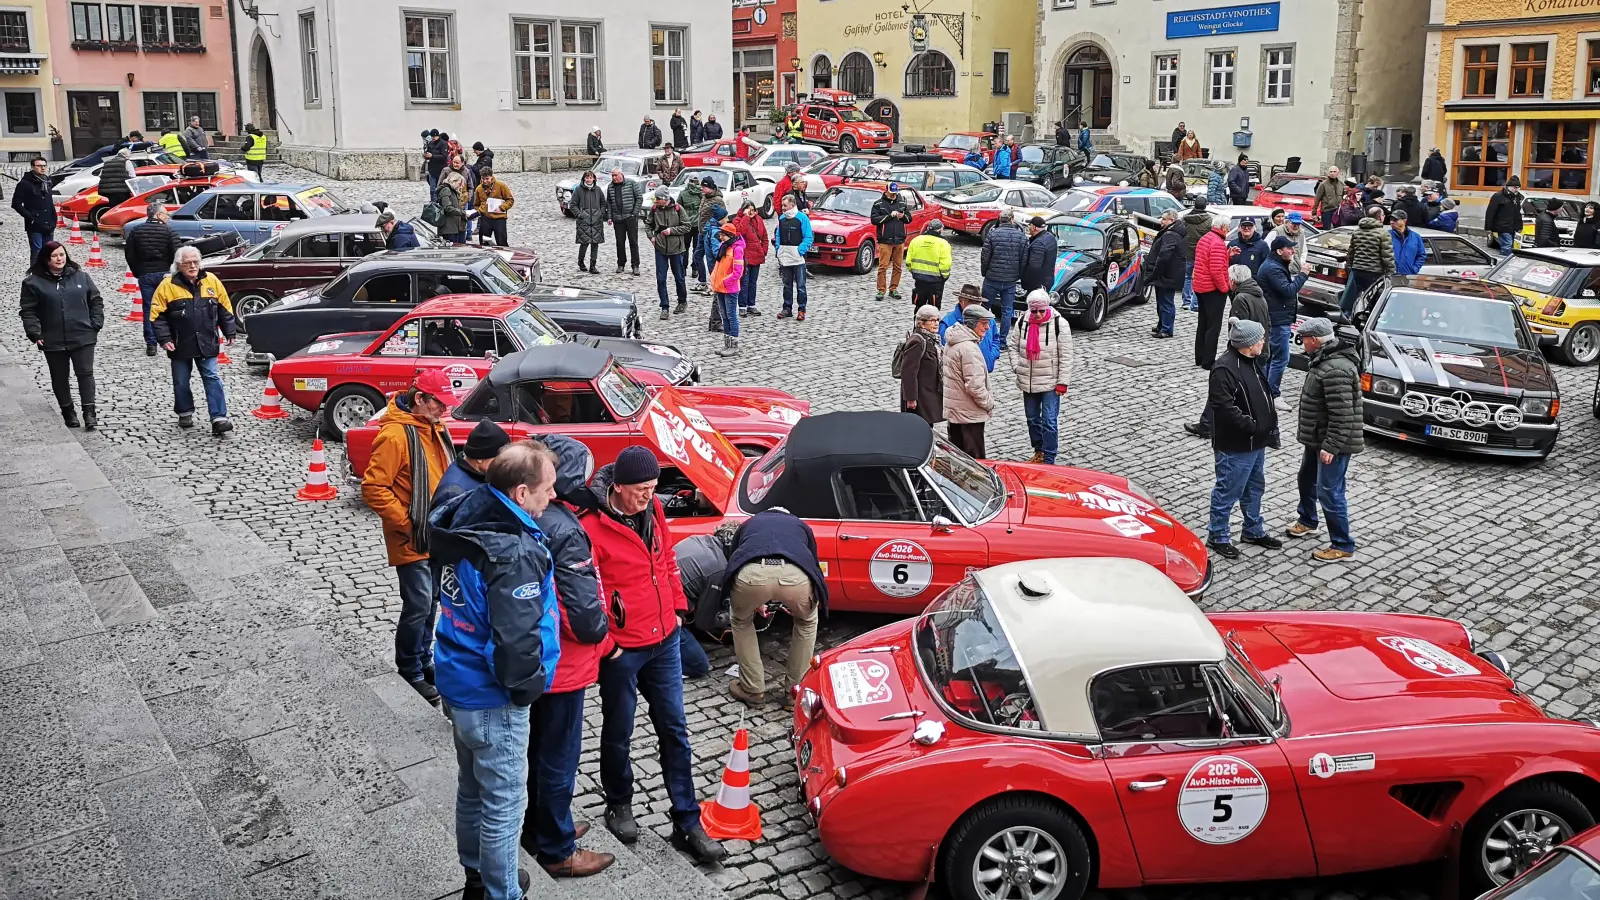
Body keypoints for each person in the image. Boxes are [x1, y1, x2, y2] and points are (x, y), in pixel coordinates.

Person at [580, 446, 727, 864]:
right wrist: (609, 644)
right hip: (623, 650)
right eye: (642, 490)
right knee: (618, 730)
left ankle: (687, 820)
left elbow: (666, 563)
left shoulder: (654, 512)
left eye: (652, 488)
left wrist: (679, 609)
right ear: (618, 488)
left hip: (663, 639)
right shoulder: (591, 526)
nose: (649, 496)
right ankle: (619, 802)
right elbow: (590, 592)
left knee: (675, 731)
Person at [427, 441, 560, 900]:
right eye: (547, 490)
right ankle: (503, 893)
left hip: (455, 676)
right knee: (505, 802)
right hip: (491, 697)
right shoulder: (513, 552)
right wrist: (527, 688)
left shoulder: (467, 514)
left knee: (472, 790)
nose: (553, 497)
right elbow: (515, 640)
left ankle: (476, 876)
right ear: (521, 494)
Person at [517, 436, 618, 880]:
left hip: (535, 659)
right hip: (564, 665)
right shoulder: (565, 529)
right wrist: (603, 630)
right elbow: (586, 617)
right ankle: (557, 847)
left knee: (536, 750)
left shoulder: (530, 516)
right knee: (558, 757)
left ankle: (537, 828)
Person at [362, 369, 455, 703]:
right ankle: (409, 669)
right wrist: (407, 522)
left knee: (430, 603)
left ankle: (424, 659)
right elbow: (374, 488)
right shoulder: (395, 436)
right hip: (412, 536)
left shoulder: (434, 427)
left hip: (435, 535)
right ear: (420, 398)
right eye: (438, 404)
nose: (443, 411)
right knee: (418, 604)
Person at [722, 509, 827, 707]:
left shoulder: (749, 523)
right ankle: (794, 693)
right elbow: (812, 560)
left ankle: (752, 690)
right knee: (806, 623)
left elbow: (735, 557)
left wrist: (756, 600)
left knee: (741, 621)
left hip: (751, 574)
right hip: (796, 575)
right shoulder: (800, 524)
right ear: (787, 515)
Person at [1204, 317, 1280, 561]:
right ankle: (1218, 536)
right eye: (1260, 339)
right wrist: (1252, 426)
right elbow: (1224, 408)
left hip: (1256, 442)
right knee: (1228, 490)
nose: (1263, 341)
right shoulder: (1224, 369)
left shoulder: (1252, 361)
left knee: (1254, 488)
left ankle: (1253, 530)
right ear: (1247, 344)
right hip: (1236, 445)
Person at [1287, 318, 1361, 563]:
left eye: (1304, 338)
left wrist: (1331, 446)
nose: (1302, 343)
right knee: (1306, 478)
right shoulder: (1325, 360)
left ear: (1314, 340)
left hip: (1331, 443)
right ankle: (1308, 520)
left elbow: (1342, 414)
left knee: (1330, 492)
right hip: (1317, 437)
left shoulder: (1335, 369)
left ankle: (1342, 544)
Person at [151, 245, 236, 435]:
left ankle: (219, 417)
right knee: (181, 381)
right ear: (178, 265)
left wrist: (230, 331)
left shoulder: (211, 281)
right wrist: (164, 338)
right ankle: (184, 411)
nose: (192, 266)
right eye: (187, 263)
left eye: (195, 262)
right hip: (179, 343)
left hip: (207, 340)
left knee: (212, 378)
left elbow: (224, 307)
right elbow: (156, 315)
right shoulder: (167, 286)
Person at [20, 241, 103, 430]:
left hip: (83, 335)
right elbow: (28, 311)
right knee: (59, 377)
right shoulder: (33, 283)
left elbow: (96, 301)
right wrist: (34, 332)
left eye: (62, 254)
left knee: (85, 374)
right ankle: (68, 412)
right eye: (55, 256)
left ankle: (89, 414)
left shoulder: (81, 277)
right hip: (52, 338)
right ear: (46, 259)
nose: (60, 259)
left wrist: (95, 324)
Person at [1009, 289, 1072, 465]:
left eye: (1041, 311)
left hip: (1050, 382)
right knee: (1032, 419)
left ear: (1047, 308)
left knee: (1049, 421)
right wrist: (1017, 366)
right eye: (1034, 310)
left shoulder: (1060, 324)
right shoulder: (1023, 321)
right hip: (1028, 381)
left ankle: (1049, 458)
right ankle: (1039, 451)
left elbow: (1066, 356)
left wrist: (1062, 382)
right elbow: (1013, 346)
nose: (1037, 314)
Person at [1258, 235, 1311, 409]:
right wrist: (1303, 274)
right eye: (1290, 248)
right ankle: (1273, 393)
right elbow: (1288, 291)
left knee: (1271, 356)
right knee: (1280, 358)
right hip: (1277, 319)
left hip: (1278, 316)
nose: (1293, 251)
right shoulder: (1273, 268)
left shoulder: (1277, 264)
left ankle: (1264, 390)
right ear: (1280, 251)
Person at [126, 201, 182, 356]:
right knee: (170, 306)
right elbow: (177, 254)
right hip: (165, 274)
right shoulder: (169, 231)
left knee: (149, 308)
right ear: (158, 215)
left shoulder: (136, 231)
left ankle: (151, 343)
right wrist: (173, 272)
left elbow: (130, 254)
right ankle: (170, 338)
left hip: (145, 274)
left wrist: (138, 271)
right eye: (166, 214)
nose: (167, 217)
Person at [943, 304, 995, 458]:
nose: (987, 328)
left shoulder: (953, 340)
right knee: (975, 463)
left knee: (958, 459)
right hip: (969, 414)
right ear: (972, 324)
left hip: (957, 412)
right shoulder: (968, 349)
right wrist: (989, 404)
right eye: (983, 324)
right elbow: (975, 386)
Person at [434, 420, 511, 507]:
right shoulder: (453, 494)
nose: (503, 464)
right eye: (499, 459)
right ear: (480, 458)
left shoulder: (480, 474)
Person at [1191, 213, 1234, 370]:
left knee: (1203, 323)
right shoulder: (1217, 243)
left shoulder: (1205, 239)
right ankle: (1208, 361)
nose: (1228, 229)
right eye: (1228, 227)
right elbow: (1216, 270)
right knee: (1213, 326)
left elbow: (1209, 261)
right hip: (1212, 289)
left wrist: (1227, 255)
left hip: (1200, 287)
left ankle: (1200, 356)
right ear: (1222, 227)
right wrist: (1225, 288)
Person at [980, 211, 1027, 346]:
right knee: (1007, 310)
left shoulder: (993, 234)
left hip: (992, 278)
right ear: (1012, 219)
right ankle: (1002, 341)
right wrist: (1018, 275)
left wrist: (985, 272)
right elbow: (1023, 260)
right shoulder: (1021, 237)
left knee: (984, 308)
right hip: (1010, 280)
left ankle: (983, 337)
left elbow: (985, 257)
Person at [647, 187, 693, 319]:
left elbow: (687, 226)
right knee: (661, 279)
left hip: (676, 249)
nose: (656, 201)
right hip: (660, 248)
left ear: (665, 199)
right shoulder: (654, 209)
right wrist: (651, 237)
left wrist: (671, 231)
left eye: (659, 199)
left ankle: (682, 301)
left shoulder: (678, 209)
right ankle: (665, 307)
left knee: (679, 277)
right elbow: (649, 224)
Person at [1341, 208, 1394, 317]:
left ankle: (1350, 316)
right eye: (1383, 215)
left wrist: (1352, 266)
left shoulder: (1357, 231)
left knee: (1356, 295)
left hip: (1357, 270)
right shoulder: (1383, 233)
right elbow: (1387, 256)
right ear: (1380, 217)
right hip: (1374, 272)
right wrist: (1391, 272)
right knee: (1373, 298)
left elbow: (1351, 252)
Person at [940, 283, 1001, 371]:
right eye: (970, 301)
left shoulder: (988, 319)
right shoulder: (947, 322)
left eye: (977, 302)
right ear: (960, 300)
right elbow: (943, 350)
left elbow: (996, 339)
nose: (974, 305)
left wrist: (990, 357)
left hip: (984, 370)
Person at [900, 305, 944, 426]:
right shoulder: (917, 341)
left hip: (929, 394)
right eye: (932, 320)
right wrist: (911, 398)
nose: (936, 323)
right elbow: (908, 372)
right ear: (922, 323)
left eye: (937, 320)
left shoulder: (932, 339)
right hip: (919, 398)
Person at [1146, 208, 1186, 338]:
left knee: (1166, 302)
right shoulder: (1170, 232)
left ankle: (1166, 329)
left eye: (1164, 219)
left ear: (1171, 220)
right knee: (1161, 302)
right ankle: (1162, 325)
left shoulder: (1171, 235)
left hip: (1167, 275)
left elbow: (1164, 256)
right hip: (1167, 274)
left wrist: (1155, 271)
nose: (1161, 221)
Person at [709, 218, 745, 357]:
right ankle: (727, 344)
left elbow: (738, 272)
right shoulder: (724, 248)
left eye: (723, 235)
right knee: (724, 316)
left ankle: (733, 346)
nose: (721, 237)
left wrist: (724, 282)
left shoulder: (737, 249)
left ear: (729, 235)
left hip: (729, 288)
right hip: (720, 287)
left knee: (731, 316)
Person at [774, 193, 812, 321]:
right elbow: (778, 235)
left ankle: (801, 309)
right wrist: (778, 248)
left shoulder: (802, 218)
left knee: (801, 286)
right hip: (785, 256)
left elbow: (808, 237)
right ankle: (787, 308)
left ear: (792, 204)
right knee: (787, 285)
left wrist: (800, 251)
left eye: (785, 205)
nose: (783, 208)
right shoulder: (781, 219)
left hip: (797, 258)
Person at [870, 182, 910, 302]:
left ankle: (893, 289)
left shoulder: (902, 202)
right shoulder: (878, 204)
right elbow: (874, 220)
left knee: (898, 267)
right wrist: (889, 216)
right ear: (886, 191)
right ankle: (881, 290)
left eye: (895, 193)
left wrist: (902, 216)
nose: (893, 195)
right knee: (883, 267)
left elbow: (909, 218)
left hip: (899, 240)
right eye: (891, 193)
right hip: (885, 241)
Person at [12, 156, 54, 260]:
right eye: (39, 166)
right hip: (34, 223)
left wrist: (54, 218)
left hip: (49, 222)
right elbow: (16, 204)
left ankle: (46, 274)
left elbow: (49, 202)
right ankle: (35, 274)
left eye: (44, 166)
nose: (42, 168)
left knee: (49, 251)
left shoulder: (47, 182)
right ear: (32, 167)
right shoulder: (24, 184)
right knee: (37, 251)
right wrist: (30, 217)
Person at [906, 220, 953, 309]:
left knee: (919, 307)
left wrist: (915, 273)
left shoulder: (916, 240)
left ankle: (917, 322)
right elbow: (945, 265)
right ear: (940, 230)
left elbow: (908, 261)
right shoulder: (943, 244)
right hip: (936, 282)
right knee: (934, 310)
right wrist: (944, 277)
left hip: (919, 280)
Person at [606, 168, 644, 276]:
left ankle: (635, 265)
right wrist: (609, 216)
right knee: (620, 243)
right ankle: (621, 264)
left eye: (615, 175)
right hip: (618, 219)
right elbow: (609, 202)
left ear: (621, 174)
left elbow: (639, 198)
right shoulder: (610, 187)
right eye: (612, 175)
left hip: (630, 217)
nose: (614, 177)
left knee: (633, 242)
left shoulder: (631, 183)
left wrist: (634, 213)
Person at [690, 177, 724, 294]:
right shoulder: (704, 196)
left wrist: (710, 226)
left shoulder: (718, 200)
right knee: (697, 256)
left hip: (710, 234)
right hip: (701, 232)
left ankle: (714, 284)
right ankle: (702, 281)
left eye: (704, 187)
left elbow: (722, 217)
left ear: (710, 187)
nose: (702, 189)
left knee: (711, 260)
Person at [734, 199, 767, 316]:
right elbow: (740, 232)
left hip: (757, 255)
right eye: (749, 210)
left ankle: (751, 304)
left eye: (753, 210)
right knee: (744, 282)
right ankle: (742, 305)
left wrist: (764, 251)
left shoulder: (759, 220)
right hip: (745, 257)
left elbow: (764, 236)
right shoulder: (738, 220)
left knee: (753, 282)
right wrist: (746, 217)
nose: (752, 212)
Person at [570, 171, 607, 274]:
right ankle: (581, 261)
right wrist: (579, 215)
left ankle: (593, 265)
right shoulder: (578, 190)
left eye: (590, 178)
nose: (589, 179)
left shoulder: (598, 190)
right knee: (584, 243)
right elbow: (573, 204)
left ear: (594, 179)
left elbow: (603, 203)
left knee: (595, 244)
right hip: (584, 222)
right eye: (587, 178)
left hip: (596, 221)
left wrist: (600, 214)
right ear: (584, 179)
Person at [1181, 198, 1212, 312]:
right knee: (1199, 278)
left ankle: (1186, 301)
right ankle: (1195, 303)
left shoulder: (1185, 219)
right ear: (1205, 206)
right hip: (1202, 253)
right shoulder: (1209, 220)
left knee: (1187, 277)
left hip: (1188, 251)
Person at [474, 169, 515, 248]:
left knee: (502, 242)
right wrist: (478, 212)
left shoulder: (501, 185)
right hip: (485, 218)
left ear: (491, 177)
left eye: (487, 179)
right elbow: (476, 204)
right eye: (483, 179)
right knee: (484, 242)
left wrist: (502, 208)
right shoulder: (479, 189)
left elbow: (510, 200)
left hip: (499, 218)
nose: (485, 181)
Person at [1484, 177, 1524, 256]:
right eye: (1514, 187)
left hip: (1512, 227)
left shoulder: (1516, 198)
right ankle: (1504, 263)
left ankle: (1505, 262)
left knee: (1510, 246)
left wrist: (1520, 226)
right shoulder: (1498, 196)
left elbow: (1518, 213)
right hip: (1502, 226)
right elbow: (1491, 212)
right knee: (1507, 246)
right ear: (1508, 186)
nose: (1516, 189)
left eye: (1517, 188)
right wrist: (1488, 227)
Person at [1020, 215, 1058, 297]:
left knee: (1035, 307)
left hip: (1038, 285)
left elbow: (1034, 266)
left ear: (1034, 227)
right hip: (1047, 280)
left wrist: (1027, 283)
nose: (1029, 227)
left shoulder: (1038, 244)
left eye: (1030, 225)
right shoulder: (1050, 237)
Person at [436, 161, 469, 245]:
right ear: (454, 181)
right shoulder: (446, 190)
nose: (461, 186)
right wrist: (463, 212)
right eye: (460, 183)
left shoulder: (454, 191)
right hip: (449, 228)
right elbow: (447, 207)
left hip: (456, 226)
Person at [1390, 210, 1425, 276]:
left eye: (1395, 220)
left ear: (1404, 221)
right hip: (1390, 276)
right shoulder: (1387, 235)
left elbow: (1421, 255)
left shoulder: (1415, 237)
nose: (1391, 222)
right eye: (1391, 219)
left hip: (1408, 275)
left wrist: (1415, 269)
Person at [422, 130, 449, 201]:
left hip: (441, 170)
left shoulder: (443, 144)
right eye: (432, 136)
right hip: (432, 169)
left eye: (434, 136)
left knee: (441, 188)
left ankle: (440, 202)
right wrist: (426, 155)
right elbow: (428, 153)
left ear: (438, 136)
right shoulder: (430, 143)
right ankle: (433, 204)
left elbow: (444, 157)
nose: (433, 138)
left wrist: (432, 156)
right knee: (432, 189)